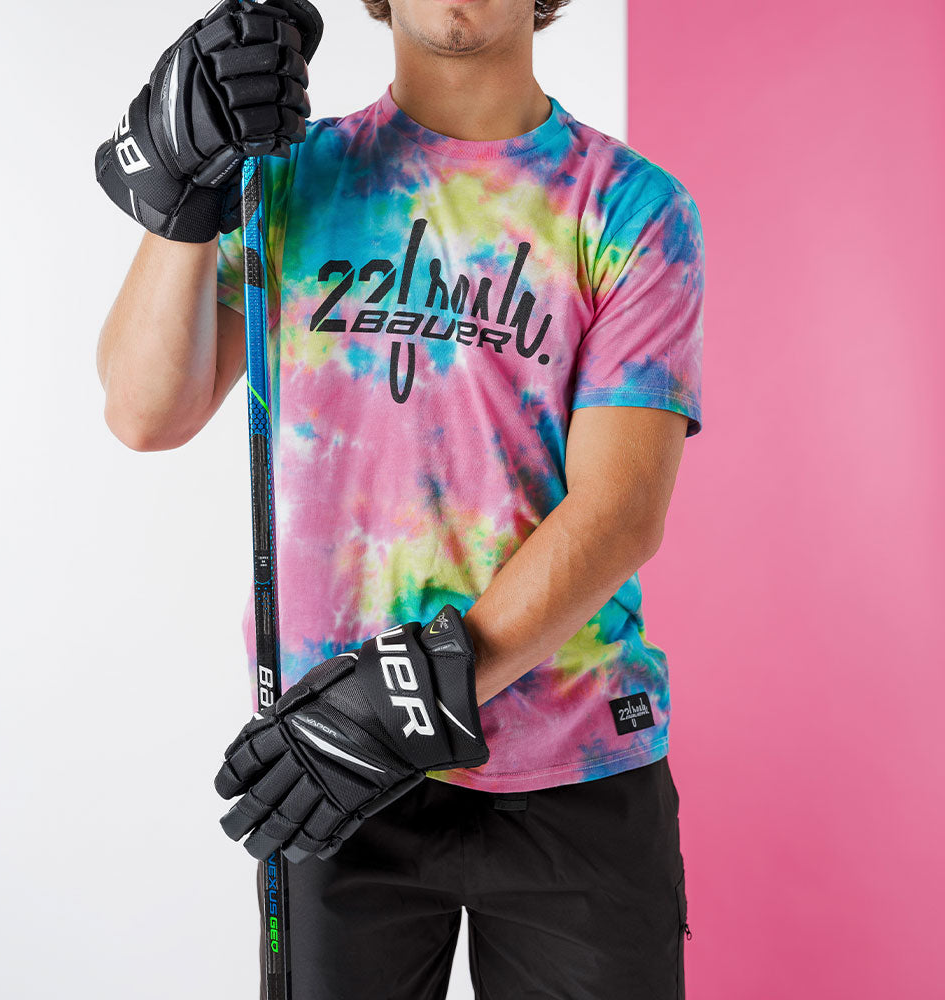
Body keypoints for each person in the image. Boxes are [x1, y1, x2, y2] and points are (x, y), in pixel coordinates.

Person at [95, 0, 704, 996]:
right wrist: (186, 194)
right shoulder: (286, 178)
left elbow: (620, 510)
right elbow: (142, 410)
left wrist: (398, 705)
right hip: (332, 770)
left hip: (570, 759)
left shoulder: (632, 207)